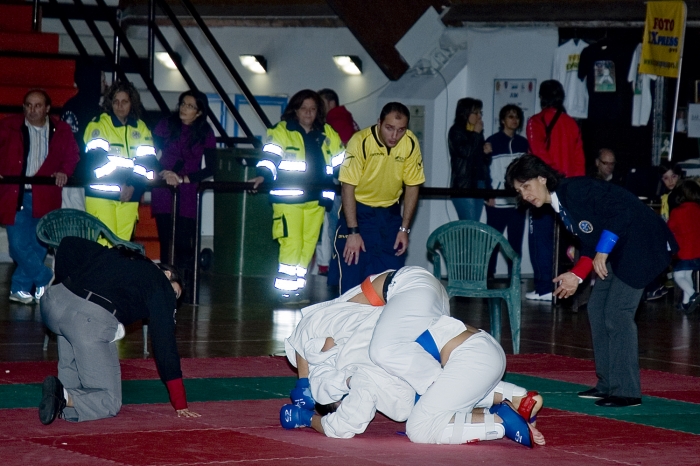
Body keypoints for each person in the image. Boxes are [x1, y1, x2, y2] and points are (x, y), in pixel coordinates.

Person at [281, 268, 544, 447]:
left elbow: (342, 424)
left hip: (410, 288)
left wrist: (307, 414)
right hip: (464, 341)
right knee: (425, 392)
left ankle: (501, 419)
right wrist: (305, 383)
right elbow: (304, 343)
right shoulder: (353, 342)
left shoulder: (354, 368)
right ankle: (512, 397)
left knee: (419, 426)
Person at [506, 155, 677, 408]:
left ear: (541, 178)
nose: (524, 195)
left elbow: (622, 212)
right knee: (597, 308)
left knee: (617, 313)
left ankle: (627, 392)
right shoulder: (561, 205)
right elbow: (589, 240)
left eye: (526, 186)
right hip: (621, 248)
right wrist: (576, 275)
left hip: (642, 245)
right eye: (519, 191)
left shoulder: (575, 190)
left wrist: (604, 250)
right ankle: (608, 384)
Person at [38, 236, 201, 424]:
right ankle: (64, 397)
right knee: (109, 401)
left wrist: (64, 285)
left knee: (73, 361)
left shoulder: (120, 255)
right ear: (168, 274)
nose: (172, 299)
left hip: (53, 304)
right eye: (175, 293)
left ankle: (63, 398)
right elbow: (165, 344)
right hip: (87, 320)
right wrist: (179, 401)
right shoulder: (161, 283)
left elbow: (68, 244)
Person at [251, 89, 344, 303]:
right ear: (295, 110)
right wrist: (262, 176)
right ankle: (285, 292)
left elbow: (342, 163)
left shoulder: (327, 133)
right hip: (288, 199)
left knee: (308, 245)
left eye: (313, 109)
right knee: (291, 244)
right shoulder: (282, 131)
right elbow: (270, 157)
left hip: (318, 199)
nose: (309, 113)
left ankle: (297, 289)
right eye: (304, 109)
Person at [329, 102, 425, 294]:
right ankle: (347, 322)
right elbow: (348, 187)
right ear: (379, 122)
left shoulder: (410, 142)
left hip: (390, 216)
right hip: (359, 212)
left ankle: (378, 323)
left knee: (387, 282)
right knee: (352, 280)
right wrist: (353, 231)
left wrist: (404, 228)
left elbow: (413, 185)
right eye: (389, 128)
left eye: (401, 130)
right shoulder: (360, 141)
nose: (394, 136)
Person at [0, 89, 79, 304]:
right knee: (17, 245)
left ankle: (20, 289)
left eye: (37, 105)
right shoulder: (8, 126)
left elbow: (72, 156)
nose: (32, 110)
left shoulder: (61, 130)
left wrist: (64, 171)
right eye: (28, 105)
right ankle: (45, 277)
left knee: (39, 243)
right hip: (15, 195)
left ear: (47, 108)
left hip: (46, 196)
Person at [525, 80, 585, 301]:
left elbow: (538, 155)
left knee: (540, 239)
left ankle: (544, 288)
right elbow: (579, 159)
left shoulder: (535, 121)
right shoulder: (572, 123)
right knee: (567, 241)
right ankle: (563, 285)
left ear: (542, 96)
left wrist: (552, 179)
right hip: (568, 189)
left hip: (545, 188)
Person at [152, 90, 216, 298]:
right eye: (182, 104)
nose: (183, 108)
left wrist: (187, 178)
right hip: (165, 187)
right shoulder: (166, 124)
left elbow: (212, 167)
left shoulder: (205, 131)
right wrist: (164, 173)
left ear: (199, 112)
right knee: (166, 241)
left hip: (188, 192)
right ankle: (164, 288)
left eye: (189, 106)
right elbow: (148, 153)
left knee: (183, 244)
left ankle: (183, 289)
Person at [83, 81, 157, 242]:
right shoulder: (99, 125)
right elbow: (96, 164)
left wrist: (132, 186)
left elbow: (148, 163)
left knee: (122, 249)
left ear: (132, 103)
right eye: (115, 101)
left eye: (124, 101)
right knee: (104, 247)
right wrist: (123, 184)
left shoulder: (141, 128)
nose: (120, 106)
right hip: (101, 196)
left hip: (130, 196)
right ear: (110, 103)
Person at [316, 89, 360, 277]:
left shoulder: (335, 121)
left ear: (330, 103)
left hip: (338, 180)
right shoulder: (346, 118)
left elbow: (340, 151)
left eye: (320, 103)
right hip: (347, 179)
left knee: (334, 222)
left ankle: (334, 265)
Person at [485, 104, 529, 276]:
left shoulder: (523, 143)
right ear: (503, 120)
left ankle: (514, 277)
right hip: (497, 200)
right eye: (510, 116)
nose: (514, 120)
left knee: (515, 242)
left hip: (517, 201)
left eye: (517, 117)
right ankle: (488, 276)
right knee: (493, 241)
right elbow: (485, 171)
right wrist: (489, 193)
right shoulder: (492, 141)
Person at [449, 97, 492, 221]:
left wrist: (486, 153)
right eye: (476, 112)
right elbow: (465, 152)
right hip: (464, 186)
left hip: (479, 183)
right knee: (469, 225)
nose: (479, 116)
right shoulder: (457, 131)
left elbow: (484, 162)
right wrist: (476, 134)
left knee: (474, 225)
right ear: (465, 113)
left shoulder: (477, 133)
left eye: (480, 112)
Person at [667, 179, 700, 313]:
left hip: (683, 252)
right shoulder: (698, 209)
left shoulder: (677, 211)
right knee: (687, 276)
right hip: (697, 252)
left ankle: (693, 294)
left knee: (679, 277)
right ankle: (686, 304)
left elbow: (669, 228)